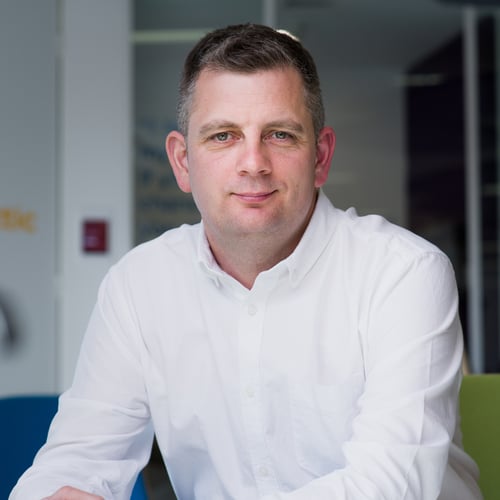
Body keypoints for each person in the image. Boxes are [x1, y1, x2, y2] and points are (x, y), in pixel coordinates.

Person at [11, 23, 482, 500]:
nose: (253, 163)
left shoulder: (404, 274)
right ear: (182, 162)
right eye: (223, 136)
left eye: (280, 134)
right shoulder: (140, 285)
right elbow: (78, 460)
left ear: (320, 158)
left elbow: (388, 487)